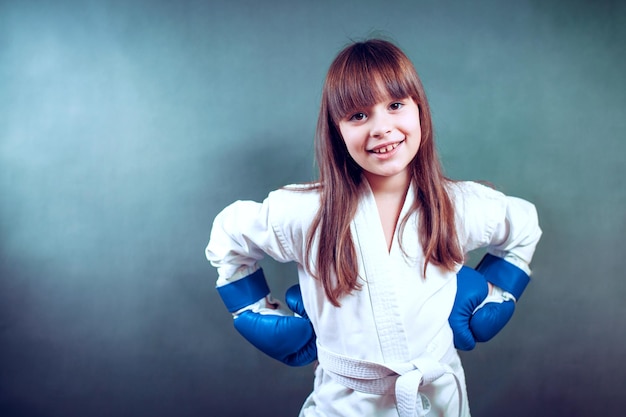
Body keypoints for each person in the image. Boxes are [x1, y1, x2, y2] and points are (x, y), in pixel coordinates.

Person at [206, 39, 541, 417]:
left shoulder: (459, 205)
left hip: (435, 398)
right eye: (358, 115)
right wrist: (252, 309)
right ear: (337, 129)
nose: (382, 128)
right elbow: (229, 236)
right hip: (343, 404)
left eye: (395, 105)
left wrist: (498, 291)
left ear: (419, 111)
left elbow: (523, 225)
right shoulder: (304, 212)